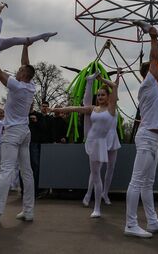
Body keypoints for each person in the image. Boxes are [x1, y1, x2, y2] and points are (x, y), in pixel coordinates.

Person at [0, 41, 37, 225]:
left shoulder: (17, 86)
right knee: (27, 172)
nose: (17, 71)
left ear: (23, 75)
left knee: (6, 171)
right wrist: (26, 45)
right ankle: (28, 211)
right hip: (25, 132)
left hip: (13, 133)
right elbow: (26, 64)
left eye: (20, 70)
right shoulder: (30, 86)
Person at [125, 26, 158, 238]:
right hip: (145, 138)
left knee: (148, 183)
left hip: (152, 138)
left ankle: (152, 222)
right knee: (137, 181)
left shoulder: (157, 88)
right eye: (157, 68)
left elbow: (155, 118)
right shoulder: (148, 84)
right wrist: (153, 36)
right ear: (151, 72)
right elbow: (154, 56)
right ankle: (130, 224)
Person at [51, 71, 121, 218]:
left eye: (103, 95)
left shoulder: (111, 109)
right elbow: (74, 108)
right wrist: (57, 109)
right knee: (95, 176)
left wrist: (102, 79)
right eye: (99, 95)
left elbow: (114, 86)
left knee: (98, 176)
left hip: (101, 143)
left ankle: (97, 208)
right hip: (91, 141)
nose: (100, 97)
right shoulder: (92, 109)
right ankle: (89, 81)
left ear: (108, 97)